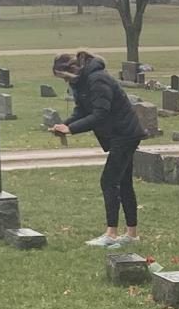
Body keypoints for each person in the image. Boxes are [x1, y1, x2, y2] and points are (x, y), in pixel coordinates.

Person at [51, 51, 145, 248]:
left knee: (109, 181)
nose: (65, 81)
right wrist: (65, 124)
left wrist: (72, 129)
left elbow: (100, 113)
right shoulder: (81, 82)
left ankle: (112, 234)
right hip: (119, 133)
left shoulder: (97, 79)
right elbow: (82, 110)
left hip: (124, 133)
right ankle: (131, 234)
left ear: (72, 69)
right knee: (123, 183)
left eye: (64, 77)